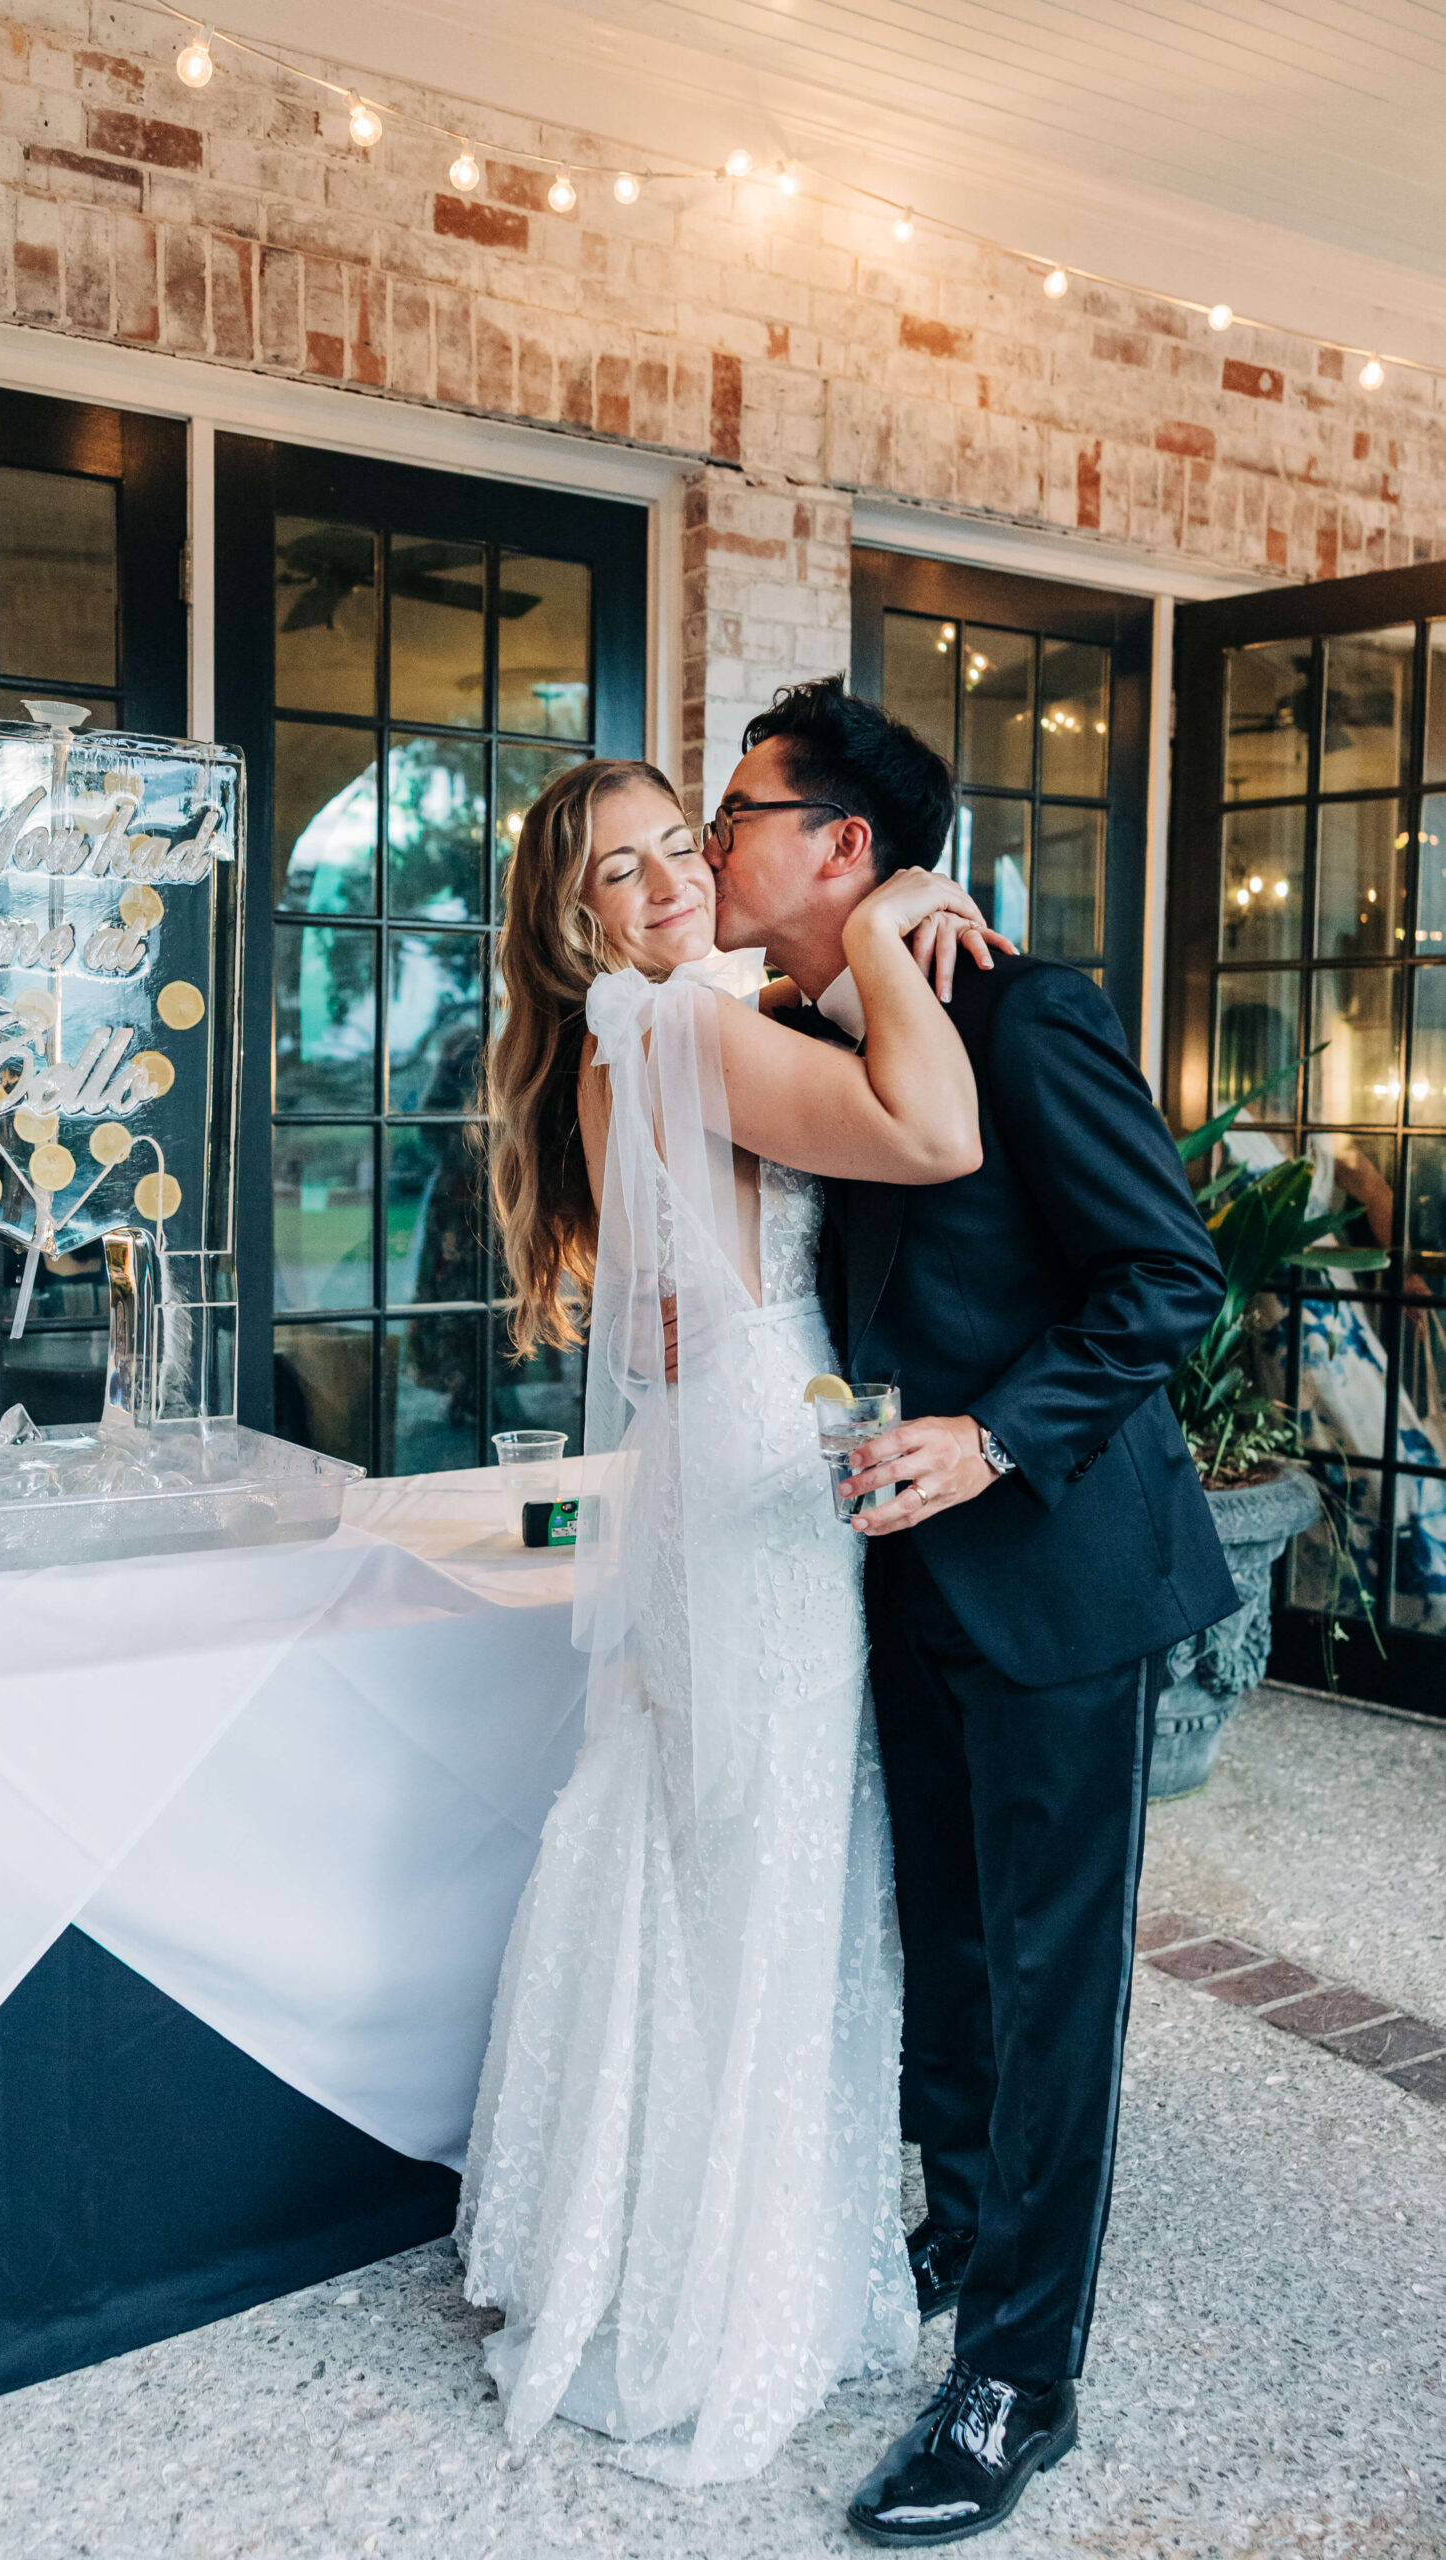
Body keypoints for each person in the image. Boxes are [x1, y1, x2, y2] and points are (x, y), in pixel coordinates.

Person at [709, 675, 1236, 2547]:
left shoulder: (1030, 1015)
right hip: (883, 1573)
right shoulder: (785, 1021)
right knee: (943, 1945)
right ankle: (953, 2232)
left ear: (844, 848)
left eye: (740, 811)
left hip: (1057, 1573)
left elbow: (1171, 1280)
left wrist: (993, 1442)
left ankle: (1022, 2378)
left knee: (1047, 1985)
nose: (712, 843)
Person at [457, 756, 996, 2484]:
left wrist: (839, 954)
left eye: (683, 844)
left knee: (709, 1848)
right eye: (623, 872)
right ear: (577, 921)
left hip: (728, 1463)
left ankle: (621, 2237)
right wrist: (902, 935)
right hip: (760, 1506)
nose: (674, 880)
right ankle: (713, 2282)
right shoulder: (682, 1031)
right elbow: (936, 1132)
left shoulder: (661, 1022)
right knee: (763, 1871)